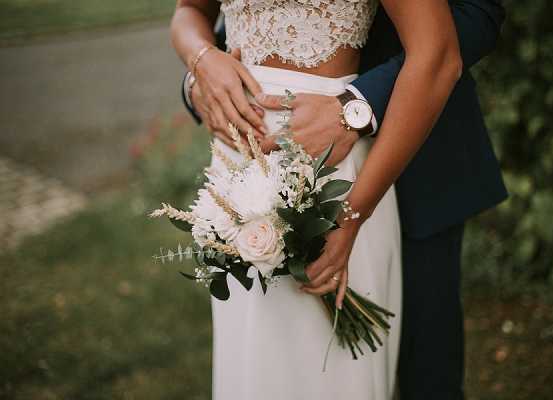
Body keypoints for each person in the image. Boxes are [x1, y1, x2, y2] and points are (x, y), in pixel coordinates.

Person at [173, 0, 507, 399]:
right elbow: (192, 12)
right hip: (242, 163)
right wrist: (202, 61)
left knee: (410, 375)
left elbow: (457, 31)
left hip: (379, 161)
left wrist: (357, 109)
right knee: (256, 365)